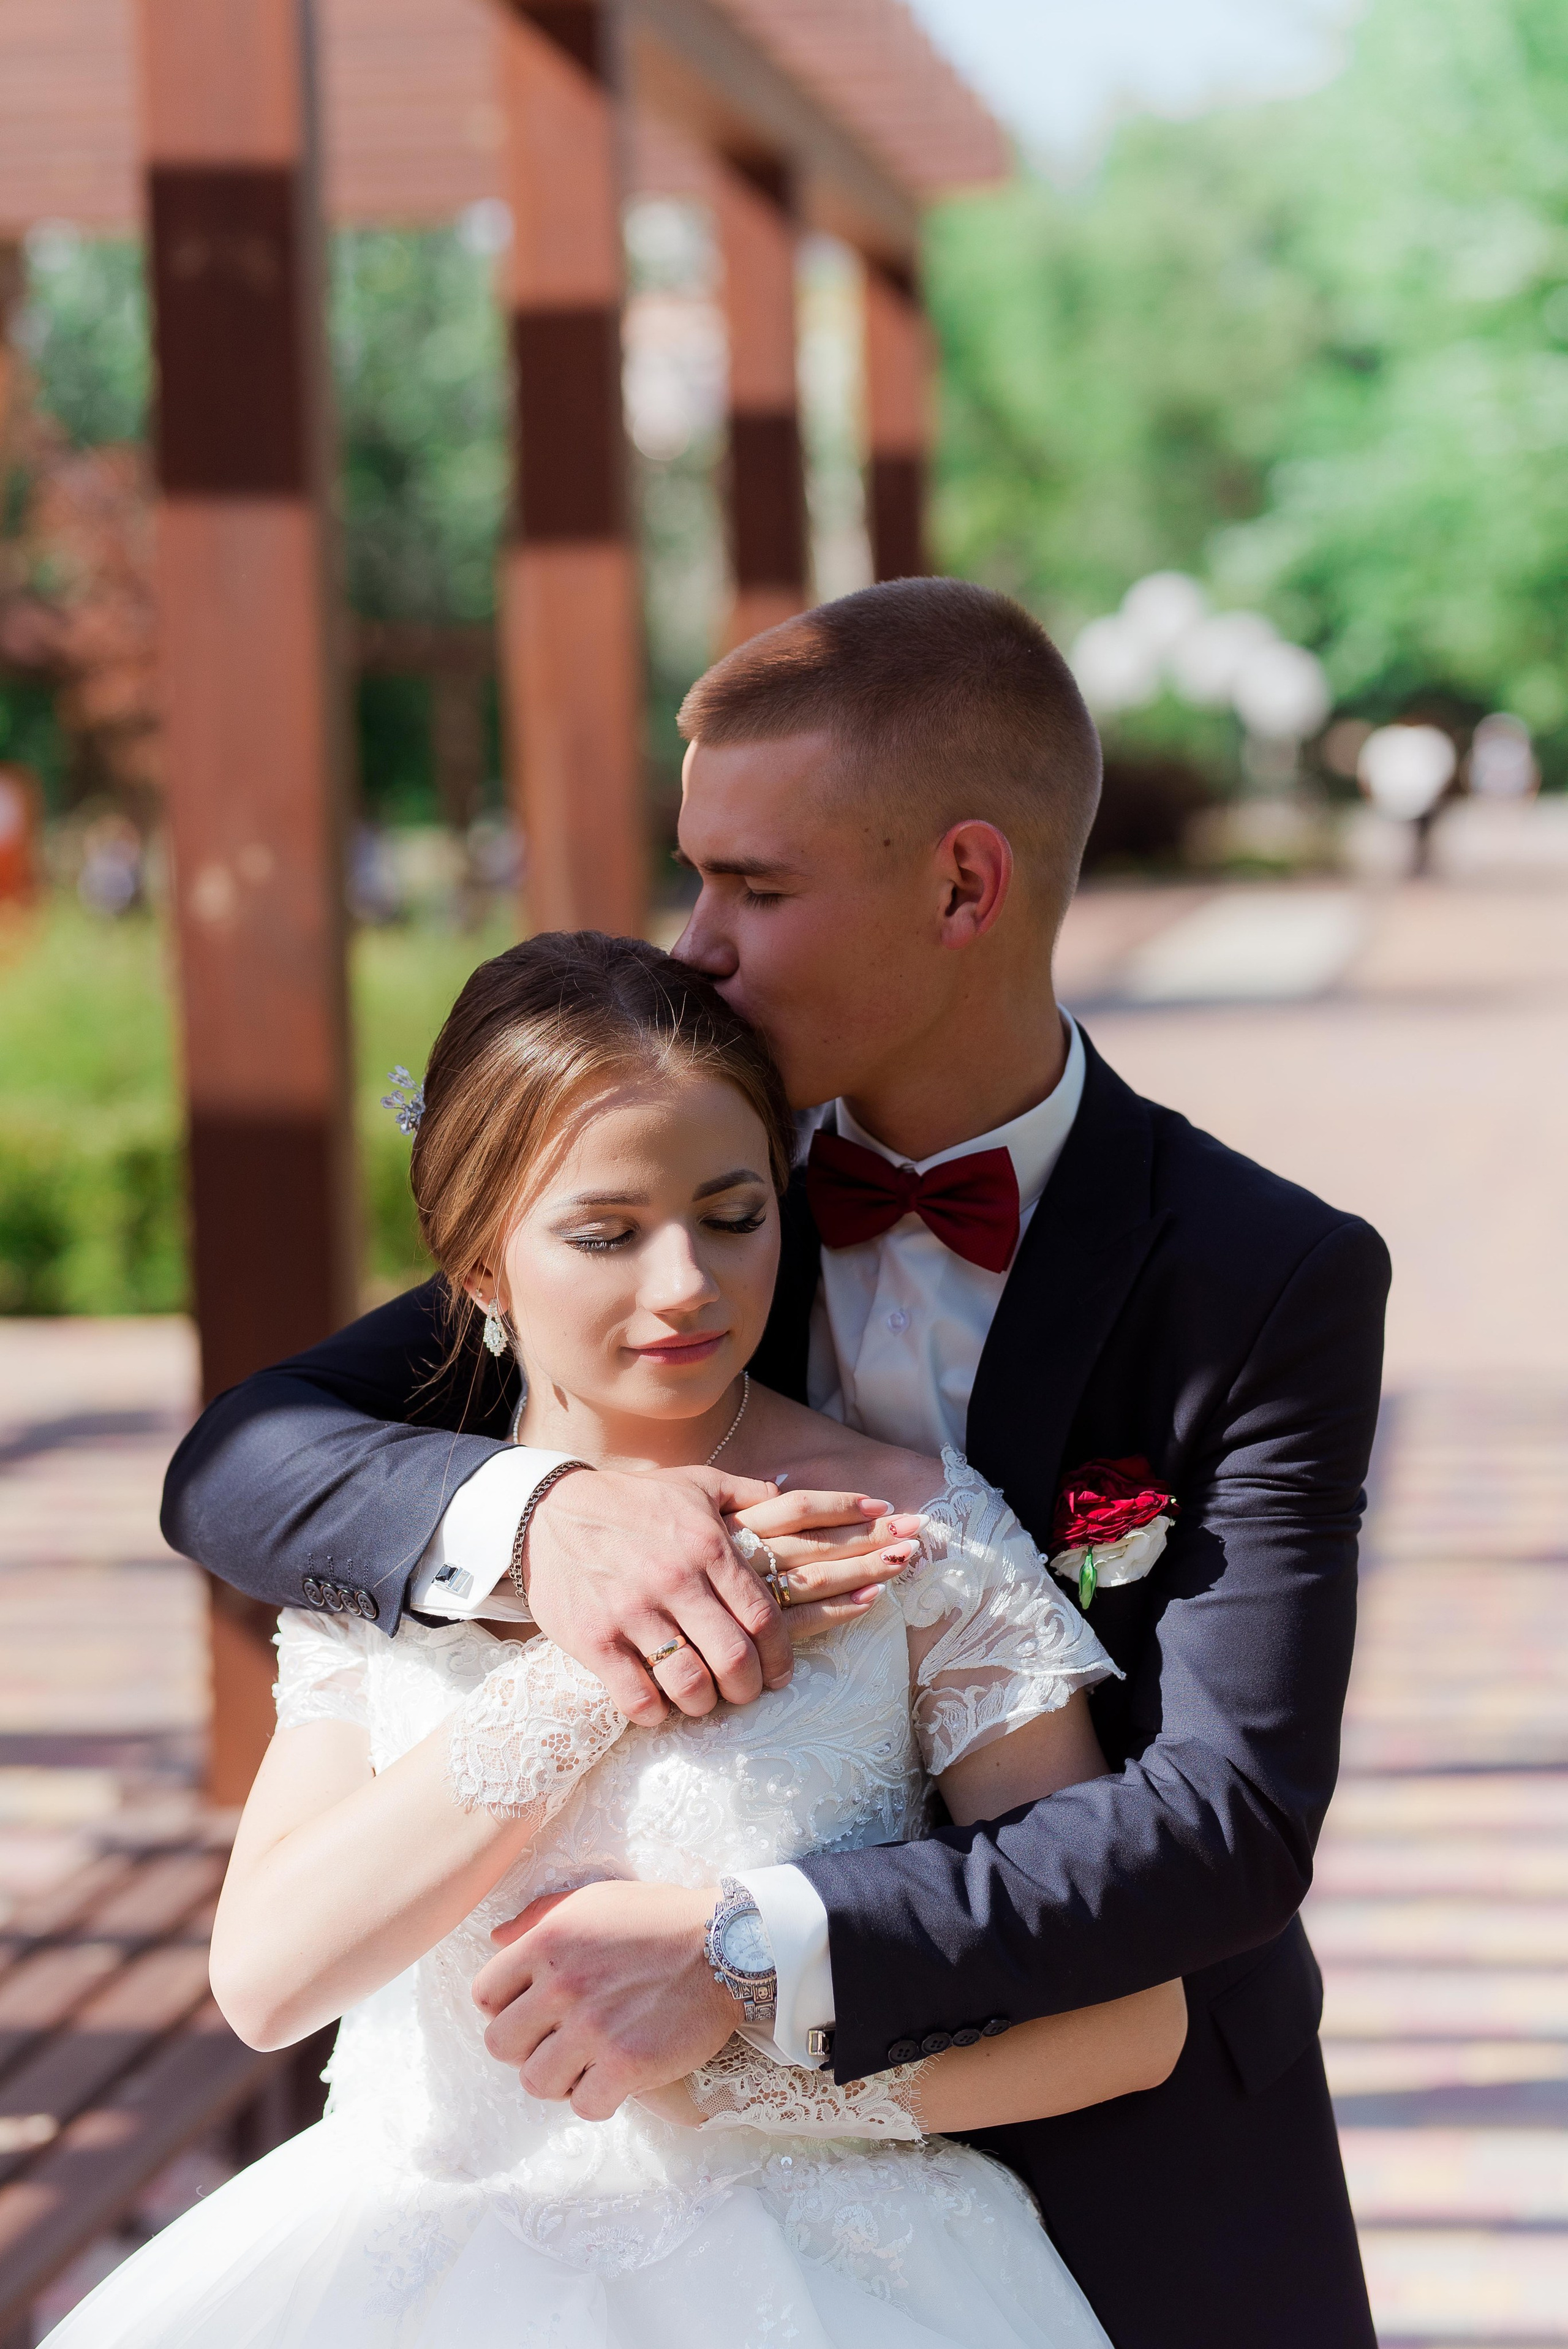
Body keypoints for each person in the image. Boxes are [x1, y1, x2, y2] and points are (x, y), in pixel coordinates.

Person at [163, 580, 1390, 2348]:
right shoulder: (664, 1179)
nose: (698, 940)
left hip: (1127, 2152)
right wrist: (548, 1516)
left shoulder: (1261, 1276)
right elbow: (245, 1461)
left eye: (754, 883)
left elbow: (1222, 1819)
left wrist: (748, 1957)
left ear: (964, 884)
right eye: (697, 874)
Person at [57, 935, 1186, 2347]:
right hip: (396, 2263)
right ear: (481, 1256)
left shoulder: (906, 1535)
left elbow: (1127, 2016)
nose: (684, 1288)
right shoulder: (406, 1551)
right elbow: (271, 1979)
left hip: (837, 2283)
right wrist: (588, 1673)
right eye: (606, 1234)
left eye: (731, 1215)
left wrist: (737, 2076)